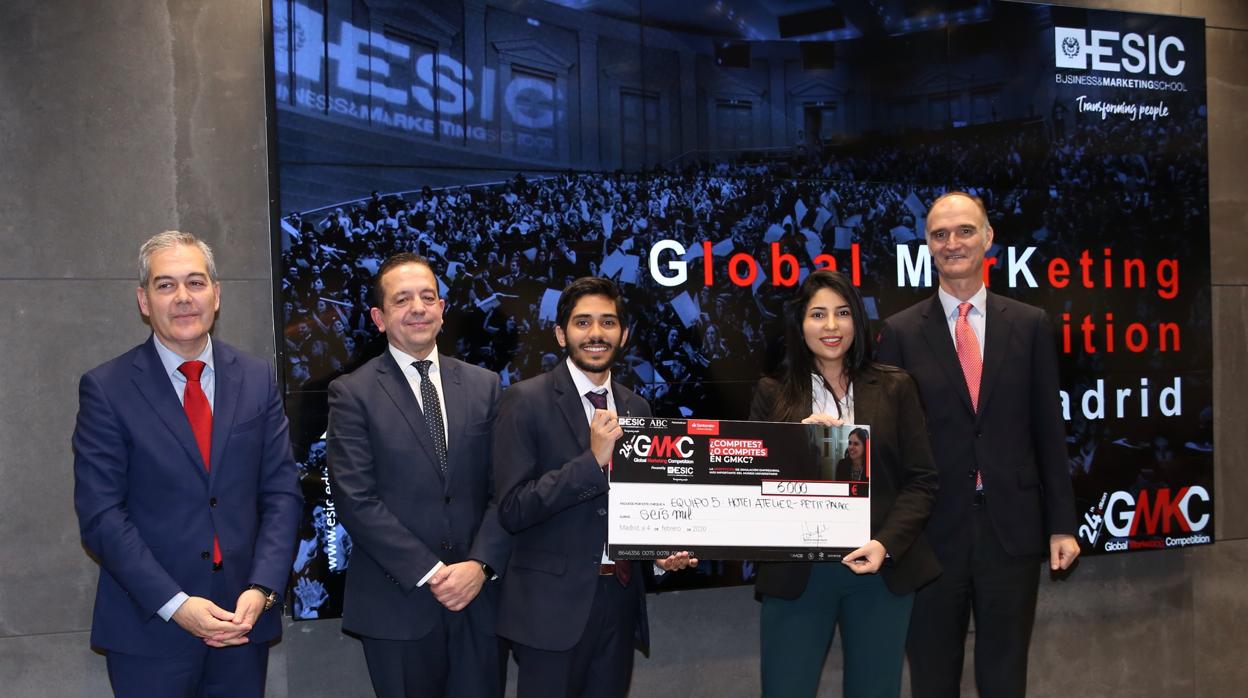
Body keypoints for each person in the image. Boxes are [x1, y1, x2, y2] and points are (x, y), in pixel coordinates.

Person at [72, 231, 302, 697]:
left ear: (217, 295)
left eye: (196, 283)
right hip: (150, 631)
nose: (183, 298)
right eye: (165, 285)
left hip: (243, 624)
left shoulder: (256, 378)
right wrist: (176, 605)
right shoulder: (107, 388)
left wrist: (261, 590)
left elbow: (281, 495)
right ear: (143, 299)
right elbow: (102, 517)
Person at [876, 192, 1079, 698]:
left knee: (1005, 675)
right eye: (940, 235)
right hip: (931, 537)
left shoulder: (1029, 324)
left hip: (1011, 531)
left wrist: (1061, 525)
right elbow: (891, 444)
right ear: (927, 246)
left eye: (965, 231)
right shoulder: (900, 333)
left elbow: (1048, 429)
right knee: (931, 677)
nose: (953, 243)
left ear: (988, 238)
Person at [492, 277, 696, 698]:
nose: (596, 333)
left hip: (619, 603)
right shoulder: (524, 401)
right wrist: (592, 462)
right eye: (583, 323)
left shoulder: (637, 407)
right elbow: (512, 508)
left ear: (623, 334)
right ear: (560, 333)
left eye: (608, 322)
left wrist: (659, 553)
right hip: (550, 609)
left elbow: (642, 505)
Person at [327, 253, 512, 697]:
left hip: (479, 602)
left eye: (428, 297)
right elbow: (356, 500)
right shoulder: (351, 392)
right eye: (402, 299)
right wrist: (432, 572)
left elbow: (505, 488)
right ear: (379, 317)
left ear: (443, 310)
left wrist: (480, 565)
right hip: (399, 605)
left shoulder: (485, 385)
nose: (418, 308)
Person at [751, 270, 940, 697]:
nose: (831, 326)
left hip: (877, 567)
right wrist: (795, 444)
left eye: (842, 313)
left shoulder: (895, 387)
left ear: (858, 320)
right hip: (797, 572)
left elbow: (922, 481)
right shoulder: (772, 394)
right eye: (818, 314)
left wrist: (886, 544)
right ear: (801, 325)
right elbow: (752, 487)